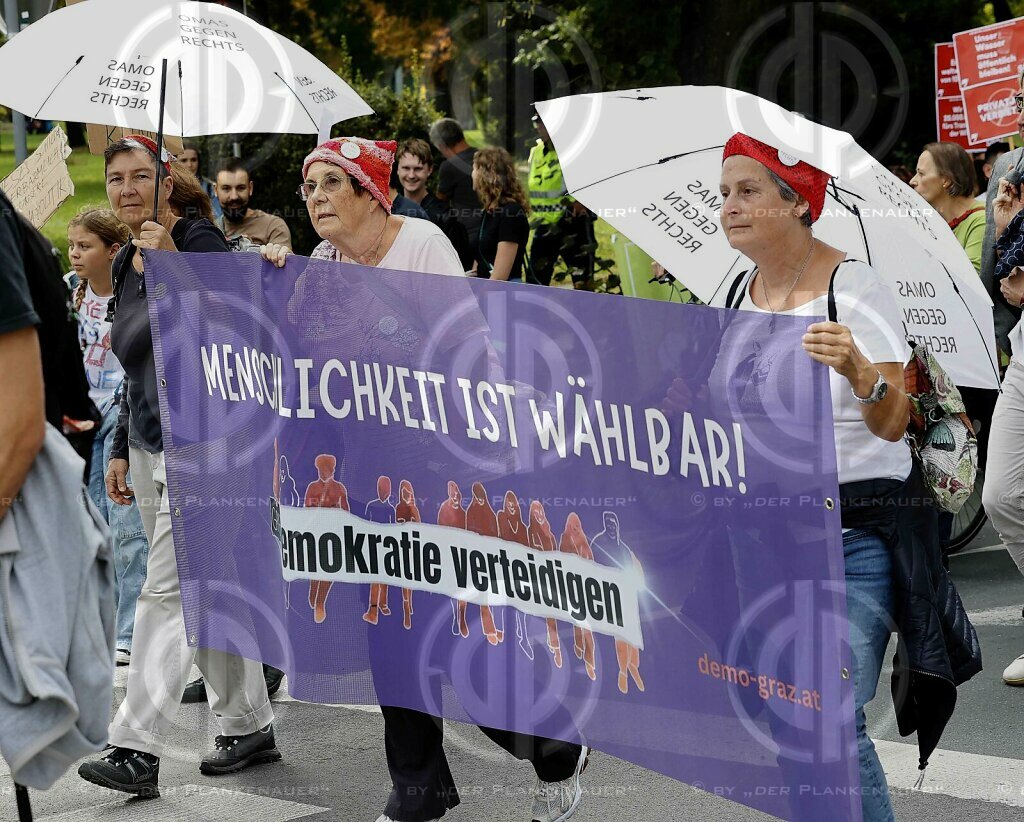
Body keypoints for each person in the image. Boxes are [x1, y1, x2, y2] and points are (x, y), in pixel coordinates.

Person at [260, 136, 590, 822]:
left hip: (445, 479)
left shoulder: (423, 244)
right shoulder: (320, 264)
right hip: (370, 488)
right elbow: (301, 370)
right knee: (393, 640)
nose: (314, 197)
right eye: (309, 187)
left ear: (369, 193)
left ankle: (556, 747)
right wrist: (273, 279)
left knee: (461, 644)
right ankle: (420, 788)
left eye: (329, 184)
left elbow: (465, 360)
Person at [77, 135, 280, 798]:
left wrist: (175, 268)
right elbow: (134, 360)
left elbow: (235, 324)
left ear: (169, 181)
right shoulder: (134, 254)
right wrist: (118, 447)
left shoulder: (191, 240)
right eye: (117, 179)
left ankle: (136, 746)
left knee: (166, 591)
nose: (128, 189)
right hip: (152, 441)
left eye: (142, 176)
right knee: (207, 587)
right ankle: (247, 723)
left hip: (211, 440)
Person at [719, 132, 912, 822]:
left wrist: (861, 373)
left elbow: (895, 422)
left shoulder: (851, 287)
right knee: (786, 717)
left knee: (829, 715)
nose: (729, 206)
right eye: (724, 194)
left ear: (796, 201)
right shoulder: (736, 291)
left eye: (748, 190)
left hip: (848, 536)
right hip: (761, 538)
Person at [68, 208, 148, 667]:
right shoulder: (68, 292)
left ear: (113, 251)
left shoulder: (130, 289)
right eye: (73, 245)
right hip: (82, 418)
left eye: (85, 246)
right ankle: (99, 623)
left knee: (126, 526)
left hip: (123, 415)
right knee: (92, 523)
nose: (75, 254)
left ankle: (129, 631)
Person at [527, 112, 597, 288]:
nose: (540, 128)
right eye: (538, 124)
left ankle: (586, 314)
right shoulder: (536, 152)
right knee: (535, 279)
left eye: (543, 124)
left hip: (573, 220)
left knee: (582, 280)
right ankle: (532, 314)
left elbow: (593, 176)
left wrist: (583, 201)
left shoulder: (575, 148)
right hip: (545, 223)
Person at [397, 137, 474, 270]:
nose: (411, 175)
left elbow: (460, 267)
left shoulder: (445, 217)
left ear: (430, 170)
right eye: (406, 168)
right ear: (397, 169)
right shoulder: (388, 210)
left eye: (418, 169)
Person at [910, 142, 985, 274]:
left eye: (921, 174)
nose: (912, 181)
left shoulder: (980, 220)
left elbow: (971, 283)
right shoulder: (933, 220)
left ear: (946, 180)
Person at [472, 147, 532, 282]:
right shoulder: (489, 211)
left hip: (502, 294)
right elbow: (481, 260)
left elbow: (500, 277)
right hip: (487, 291)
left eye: (475, 168)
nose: (472, 174)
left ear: (485, 174)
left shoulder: (511, 214)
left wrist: (474, 300)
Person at [429, 118, 483, 259]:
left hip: (467, 236)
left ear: (442, 145)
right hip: (492, 231)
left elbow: (440, 201)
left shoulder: (449, 166)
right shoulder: (485, 157)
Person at [215, 158, 292, 249]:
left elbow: (283, 260)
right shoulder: (210, 230)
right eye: (226, 188)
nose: (234, 196)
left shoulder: (272, 226)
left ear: (250, 188)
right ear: (215, 190)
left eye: (240, 188)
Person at [178, 142, 222, 219]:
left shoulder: (209, 187)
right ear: (175, 162)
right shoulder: (168, 187)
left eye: (193, 160)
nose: (189, 165)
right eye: (184, 160)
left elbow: (218, 216)